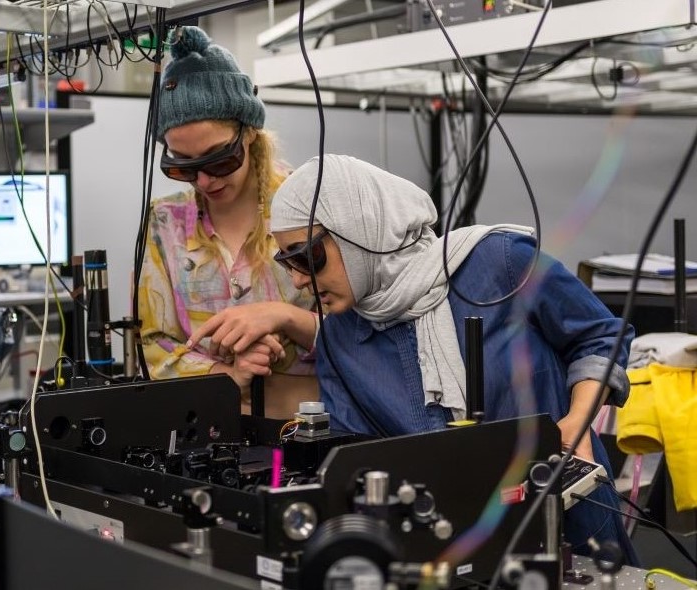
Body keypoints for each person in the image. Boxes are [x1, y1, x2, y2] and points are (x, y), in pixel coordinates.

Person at [263, 153, 637, 562]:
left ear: (359, 230)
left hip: (569, 521)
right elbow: (358, 458)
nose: (298, 279)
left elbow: (600, 336)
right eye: (288, 263)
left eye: (306, 257)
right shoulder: (340, 336)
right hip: (453, 545)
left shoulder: (498, 261)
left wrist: (577, 422)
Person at [138, 26, 319, 418]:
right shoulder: (166, 223)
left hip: (312, 426)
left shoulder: (310, 205)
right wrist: (223, 373)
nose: (205, 181)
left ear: (250, 134)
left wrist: (285, 319)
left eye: (219, 160)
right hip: (209, 428)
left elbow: (363, 335)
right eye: (184, 167)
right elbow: (152, 342)